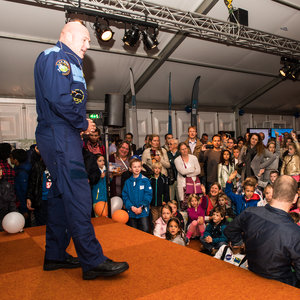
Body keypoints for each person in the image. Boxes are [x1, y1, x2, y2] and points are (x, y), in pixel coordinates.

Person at [34, 20, 128, 280]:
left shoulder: (71, 63)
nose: (89, 44)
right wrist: (82, 122)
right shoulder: (56, 58)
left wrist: (79, 123)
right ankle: (93, 260)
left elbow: (68, 99)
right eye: (85, 39)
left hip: (62, 134)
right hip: (59, 133)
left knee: (62, 196)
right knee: (78, 194)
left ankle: (55, 255)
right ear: (67, 35)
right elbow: (59, 100)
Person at [224, 175, 300, 287]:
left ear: (273, 192)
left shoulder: (250, 212)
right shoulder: (295, 232)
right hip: (280, 286)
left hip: (250, 274)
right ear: (295, 198)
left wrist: (240, 243)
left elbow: (230, 230)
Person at [122, 158, 152, 233]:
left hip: (143, 212)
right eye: (134, 167)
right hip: (132, 212)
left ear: (141, 168)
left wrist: (141, 207)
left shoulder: (145, 180)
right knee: (133, 232)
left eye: (138, 166)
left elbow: (148, 195)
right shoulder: (127, 182)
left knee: (145, 231)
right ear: (130, 168)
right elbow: (125, 196)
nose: (137, 169)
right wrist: (132, 207)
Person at [26, 146, 50, 226]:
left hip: (56, 199)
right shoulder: (37, 165)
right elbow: (32, 182)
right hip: (41, 200)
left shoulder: (58, 165)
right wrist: (29, 197)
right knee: (42, 225)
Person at [174, 142, 201, 211]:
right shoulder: (177, 160)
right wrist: (192, 169)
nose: (184, 150)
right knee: (184, 206)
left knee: (195, 206)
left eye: (185, 148)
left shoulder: (194, 158)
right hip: (183, 186)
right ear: (179, 151)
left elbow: (198, 171)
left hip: (194, 185)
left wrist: (187, 174)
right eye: (182, 149)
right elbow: (182, 172)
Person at [10, 149, 31, 227]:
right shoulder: (18, 168)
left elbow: (22, 191)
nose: (10, 159)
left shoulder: (22, 173)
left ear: (16, 160)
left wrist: (24, 209)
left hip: (23, 204)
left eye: (11, 157)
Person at [150, 162, 169, 229]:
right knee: (154, 220)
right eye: (155, 168)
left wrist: (165, 200)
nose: (157, 170)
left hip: (161, 203)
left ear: (160, 169)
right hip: (153, 204)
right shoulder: (150, 179)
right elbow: (149, 192)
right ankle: (155, 232)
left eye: (159, 168)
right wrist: (149, 202)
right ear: (153, 169)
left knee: (162, 219)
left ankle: (163, 232)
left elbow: (166, 191)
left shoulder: (163, 178)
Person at [0, 165, 17, 231]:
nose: (0, 172)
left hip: (5, 221)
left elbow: (12, 204)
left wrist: (16, 218)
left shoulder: (7, 185)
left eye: (0, 169)